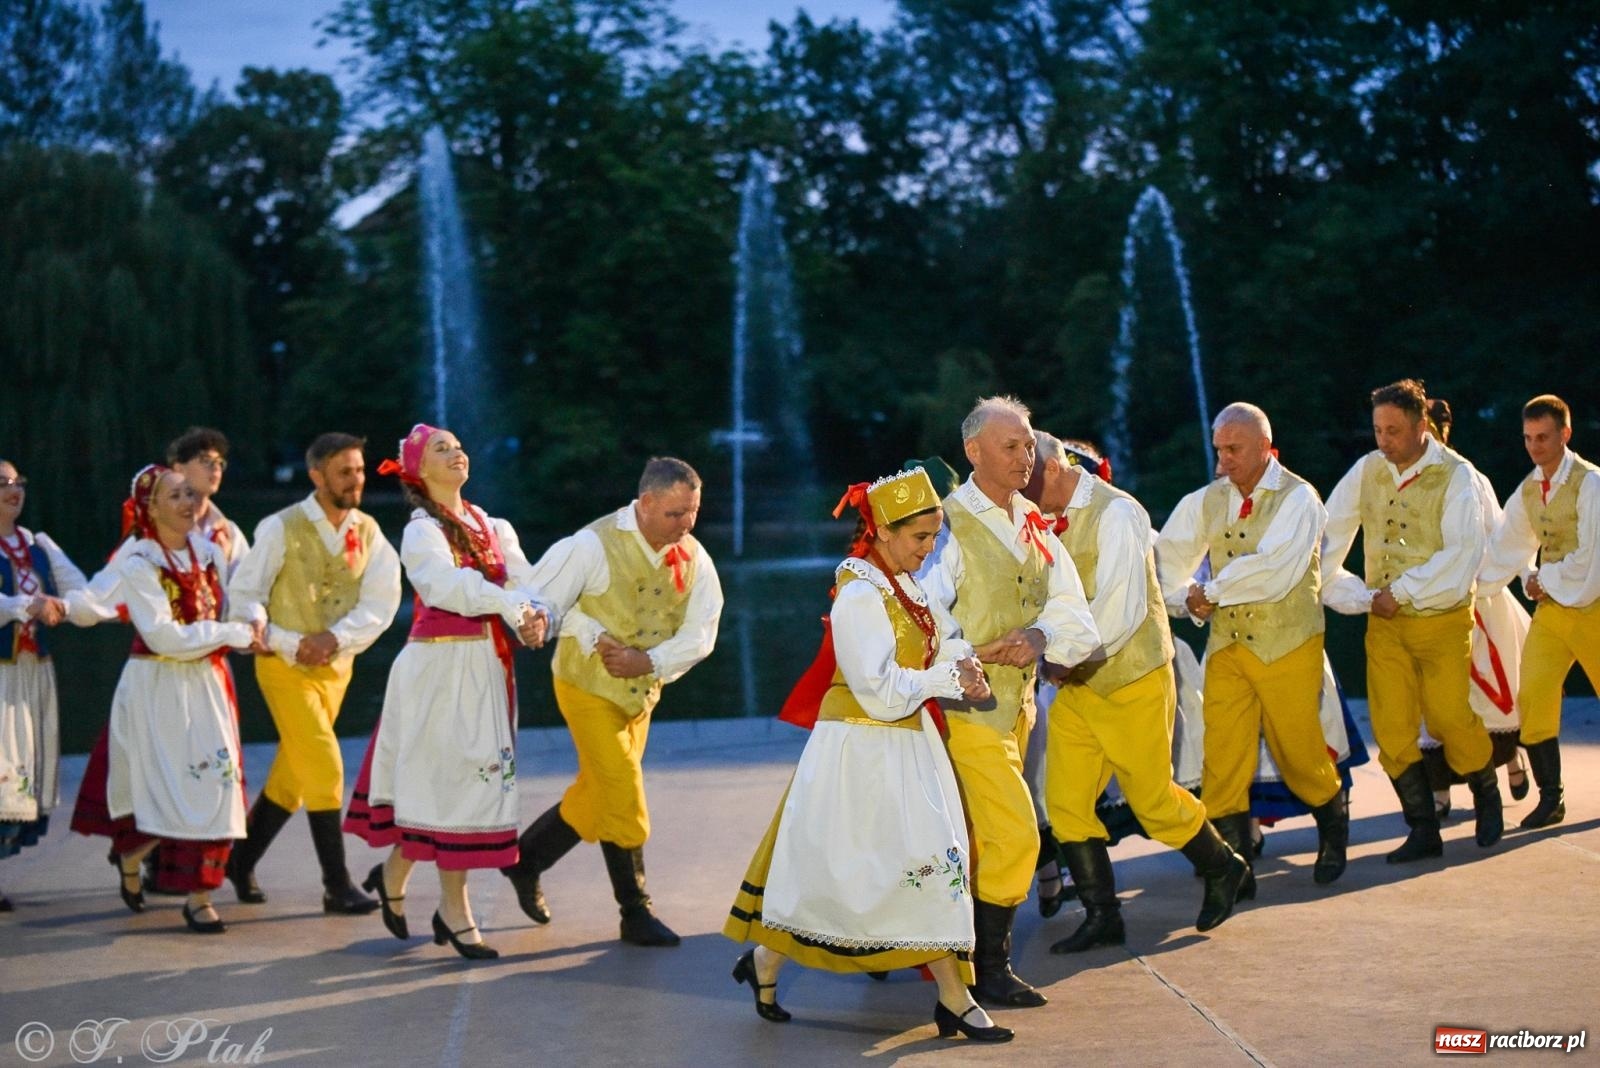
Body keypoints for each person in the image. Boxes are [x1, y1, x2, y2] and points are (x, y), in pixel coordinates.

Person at [724, 468, 1011, 1042]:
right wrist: (943, 681)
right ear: (882, 530)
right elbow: (877, 689)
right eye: (919, 538)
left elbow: (943, 639)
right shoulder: (859, 594)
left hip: (908, 743)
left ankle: (954, 997)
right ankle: (765, 960)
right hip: (860, 749)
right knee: (842, 872)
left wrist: (964, 669)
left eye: (933, 537)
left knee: (930, 862)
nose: (928, 549)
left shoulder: (909, 586)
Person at [1027, 433, 1247, 953]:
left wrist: (1060, 655)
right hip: (1079, 685)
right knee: (1064, 803)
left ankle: (1223, 865)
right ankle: (1104, 916)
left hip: (1134, 678)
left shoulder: (1119, 512)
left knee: (1153, 801)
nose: (1019, 493)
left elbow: (1121, 610)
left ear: (1053, 468)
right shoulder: (1037, 517)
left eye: (1025, 481)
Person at [917, 396, 1101, 1009]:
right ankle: (989, 970)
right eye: (1012, 447)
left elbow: (1074, 614)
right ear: (973, 452)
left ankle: (969, 969)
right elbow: (921, 616)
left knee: (987, 838)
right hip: (965, 714)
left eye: (1028, 445)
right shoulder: (945, 525)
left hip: (1018, 711)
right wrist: (969, 654)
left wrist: (1042, 637)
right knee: (1016, 834)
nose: (1027, 458)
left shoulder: (1034, 522)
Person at [343, 425, 550, 960]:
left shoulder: (493, 525)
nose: (457, 452)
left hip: (485, 665)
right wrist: (511, 606)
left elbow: (523, 582)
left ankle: (394, 872)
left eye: (459, 445)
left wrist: (533, 618)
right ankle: (454, 910)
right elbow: (446, 586)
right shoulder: (420, 532)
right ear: (419, 470)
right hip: (438, 668)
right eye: (442, 448)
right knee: (449, 784)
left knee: (457, 782)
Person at [504, 457, 723, 947]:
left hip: (640, 694)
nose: (687, 524)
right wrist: (554, 624)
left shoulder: (695, 559)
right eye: (675, 513)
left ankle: (524, 862)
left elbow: (702, 634)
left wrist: (650, 661)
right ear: (645, 503)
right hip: (585, 686)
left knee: (598, 793)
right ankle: (634, 911)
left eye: (693, 511)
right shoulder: (590, 545)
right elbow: (538, 597)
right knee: (622, 789)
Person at [1156, 402, 1348, 897]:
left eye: (1234, 450)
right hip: (1229, 645)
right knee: (1222, 756)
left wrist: (1209, 591)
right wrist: (1186, 598)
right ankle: (1234, 867)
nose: (1223, 461)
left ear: (1265, 447)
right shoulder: (1207, 499)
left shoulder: (1299, 498)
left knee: (1297, 751)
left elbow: (1273, 569)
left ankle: (1333, 824)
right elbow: (1167, 560)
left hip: (1289, 642)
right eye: (1219, 450)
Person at [69, 465, 263, 933]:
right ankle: (132, 854)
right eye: (174, 496)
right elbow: (163, 636)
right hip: (157, 683)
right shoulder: (139, 561)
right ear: (150, 508)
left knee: (216, 783)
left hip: (207, 681)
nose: (188, 503)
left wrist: (252, 621)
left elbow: (239, 599)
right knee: (163, 786)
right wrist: (232, 633)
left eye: (189, 494)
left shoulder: (210, 551)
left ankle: (200, 896)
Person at [1323, 379, 1501, 861]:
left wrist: (1398, 593)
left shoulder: (1457, 476)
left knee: (1448, 718)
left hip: (1442, 620)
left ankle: (1486, 792)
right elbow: (1328, 537)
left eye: (1394, 430)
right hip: (1385, 625)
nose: (1384, 441)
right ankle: (1423, 828)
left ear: (1423, 425)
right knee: (1392, 729)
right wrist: (1358, 596)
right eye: (1378, 430)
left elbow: (1462, 555)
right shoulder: (1367, 470)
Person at [224, 433, 401, 913]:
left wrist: (334, 639)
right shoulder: (280, 527)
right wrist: (286, 640)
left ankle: (240, 862)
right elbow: (245, 596)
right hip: (282, 666)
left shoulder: (369, 532)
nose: (356, 480)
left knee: (294, 778)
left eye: (359, 470)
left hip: (336, 671)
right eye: (345, 472)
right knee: (324, 764)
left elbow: (382, 604)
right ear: (317, 476)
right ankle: (336, 884)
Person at [1479, 393, 1600, 829]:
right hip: (1553, 610)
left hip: (1595, 607)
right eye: (1528, 438)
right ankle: (1552, 798)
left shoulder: (1591, 484)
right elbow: (1506, 546)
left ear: (1565, 434)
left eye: (1543, 437)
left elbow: (1592, 560)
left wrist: (1541, 579)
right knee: (1532, 694)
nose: (1535, 446)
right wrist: (1471, 589)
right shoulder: (1530, 489)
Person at [0, 459, 109, 910]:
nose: (14, 490)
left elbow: (84, 592)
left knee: (20, 768)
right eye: (3, 483)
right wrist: (26, 604)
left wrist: (65, 607)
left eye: (18, 482)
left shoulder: (37, 544)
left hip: (32, 671)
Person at [1421, 399, 1529, 817]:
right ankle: (1439, 790)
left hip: (1479, 597)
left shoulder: (1469, 477)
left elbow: (1504, 532)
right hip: (1428, 603)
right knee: (1435, 697)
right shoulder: (1398, 479)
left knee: (1491, 694)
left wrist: (1525, 574)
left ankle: (1512, 759)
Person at [166, 427, 249, 578]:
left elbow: (247, 585)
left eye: (219, 462)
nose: (216, 468)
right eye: (206, 461)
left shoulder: (229, 532)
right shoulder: (159, 528)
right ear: (179, 469)